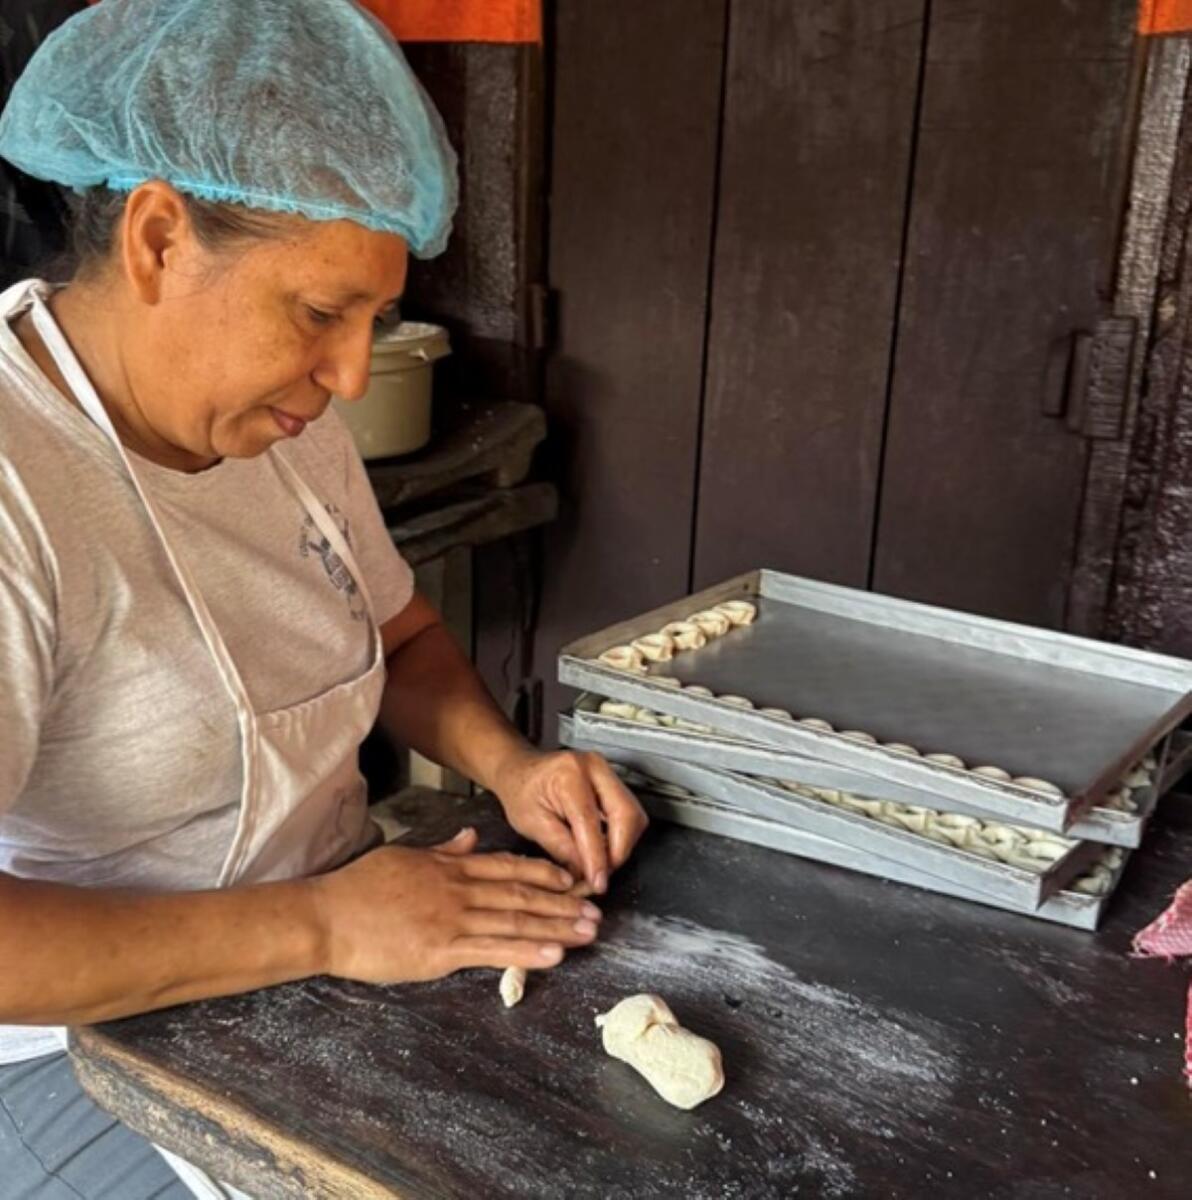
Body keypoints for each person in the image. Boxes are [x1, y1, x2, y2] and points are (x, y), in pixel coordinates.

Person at [0, 1, 648, 1196]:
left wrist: (511, 766)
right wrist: (330, 928)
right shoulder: (17, 486)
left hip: (333, 947)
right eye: (318, 313)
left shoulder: (280, 422)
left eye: (375, 321)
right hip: (75, 1047)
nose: (351, 374)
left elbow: (396, 633)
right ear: (156, 240)